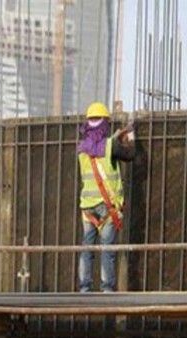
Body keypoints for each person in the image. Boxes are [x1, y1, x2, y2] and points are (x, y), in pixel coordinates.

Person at [77, 102, 136, 293]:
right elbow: (130, 155)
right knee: (107, 249)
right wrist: (130, 136)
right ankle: (107, 289)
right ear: (104, 123)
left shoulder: (82, 149)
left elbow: (98, 147)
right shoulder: (111, 145)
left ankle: (85, 288)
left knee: (87, 249)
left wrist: (115, 136)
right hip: (107, 207)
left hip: (87, 207)